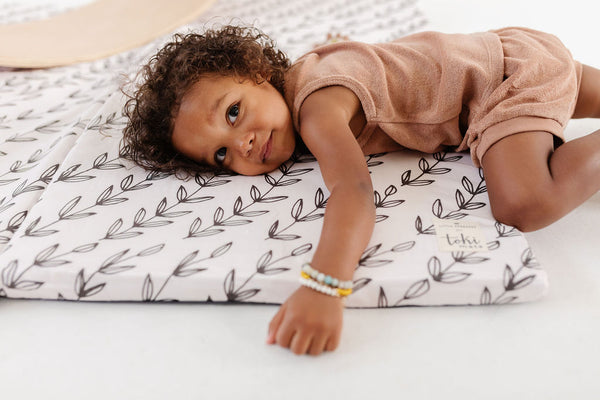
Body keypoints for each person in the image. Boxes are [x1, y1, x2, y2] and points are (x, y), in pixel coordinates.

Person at [121, 25, 600, 356]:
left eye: (232, 112)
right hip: (507, 50)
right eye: (221, 156)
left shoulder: (317, 110)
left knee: (523, 202)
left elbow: (352, 189)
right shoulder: (306, 73)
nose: (242, 142)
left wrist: (326, 287)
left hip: (503, 80)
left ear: (258, 72)